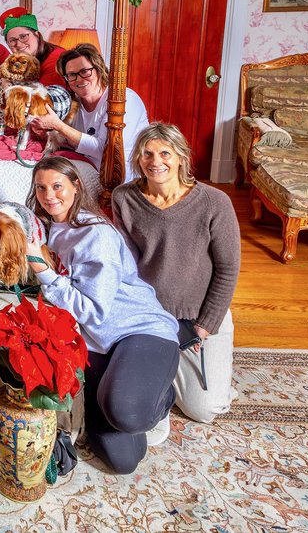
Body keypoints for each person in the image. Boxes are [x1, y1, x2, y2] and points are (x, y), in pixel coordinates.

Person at [24, 156, 179, 475]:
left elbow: (93, 310)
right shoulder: (52, 230)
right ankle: (138, 391)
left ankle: (162, 397)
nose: (49, 195)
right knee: (123, 461)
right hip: (98, 345)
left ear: (76, 185)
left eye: (57, 186)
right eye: (41, 188)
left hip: (139, 330)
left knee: (126, 413)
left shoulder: (95, 234)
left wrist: (44, 272)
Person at [112, 123, 240, 423]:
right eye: (147, 153)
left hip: (199, 316)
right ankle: (168, 373)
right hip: (151, 314)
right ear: (138, 159)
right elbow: (127, 267)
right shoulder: (124, 198)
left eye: (165, 153)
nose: (156, 161)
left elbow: (228, 268)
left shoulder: (214, 202)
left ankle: (196, 371)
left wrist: (205, 326)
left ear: (181, 157)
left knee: (205, 410)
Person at [28, 43, 149, 181]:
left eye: (85, 71)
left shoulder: (123, 100)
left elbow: (105, 150)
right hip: (85, 169)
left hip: (123, 177)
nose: (79, 79)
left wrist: (59, 126)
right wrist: (43, 131)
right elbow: (66, 140)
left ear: (99, 69)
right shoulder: (74, 103)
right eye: (72, 75)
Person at [0, 6, 66, 87]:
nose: (18, 44)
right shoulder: (17, 62)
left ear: (36, 34)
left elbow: (43, 97)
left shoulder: (56, 59)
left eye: (23, 36)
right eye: (12, 40)